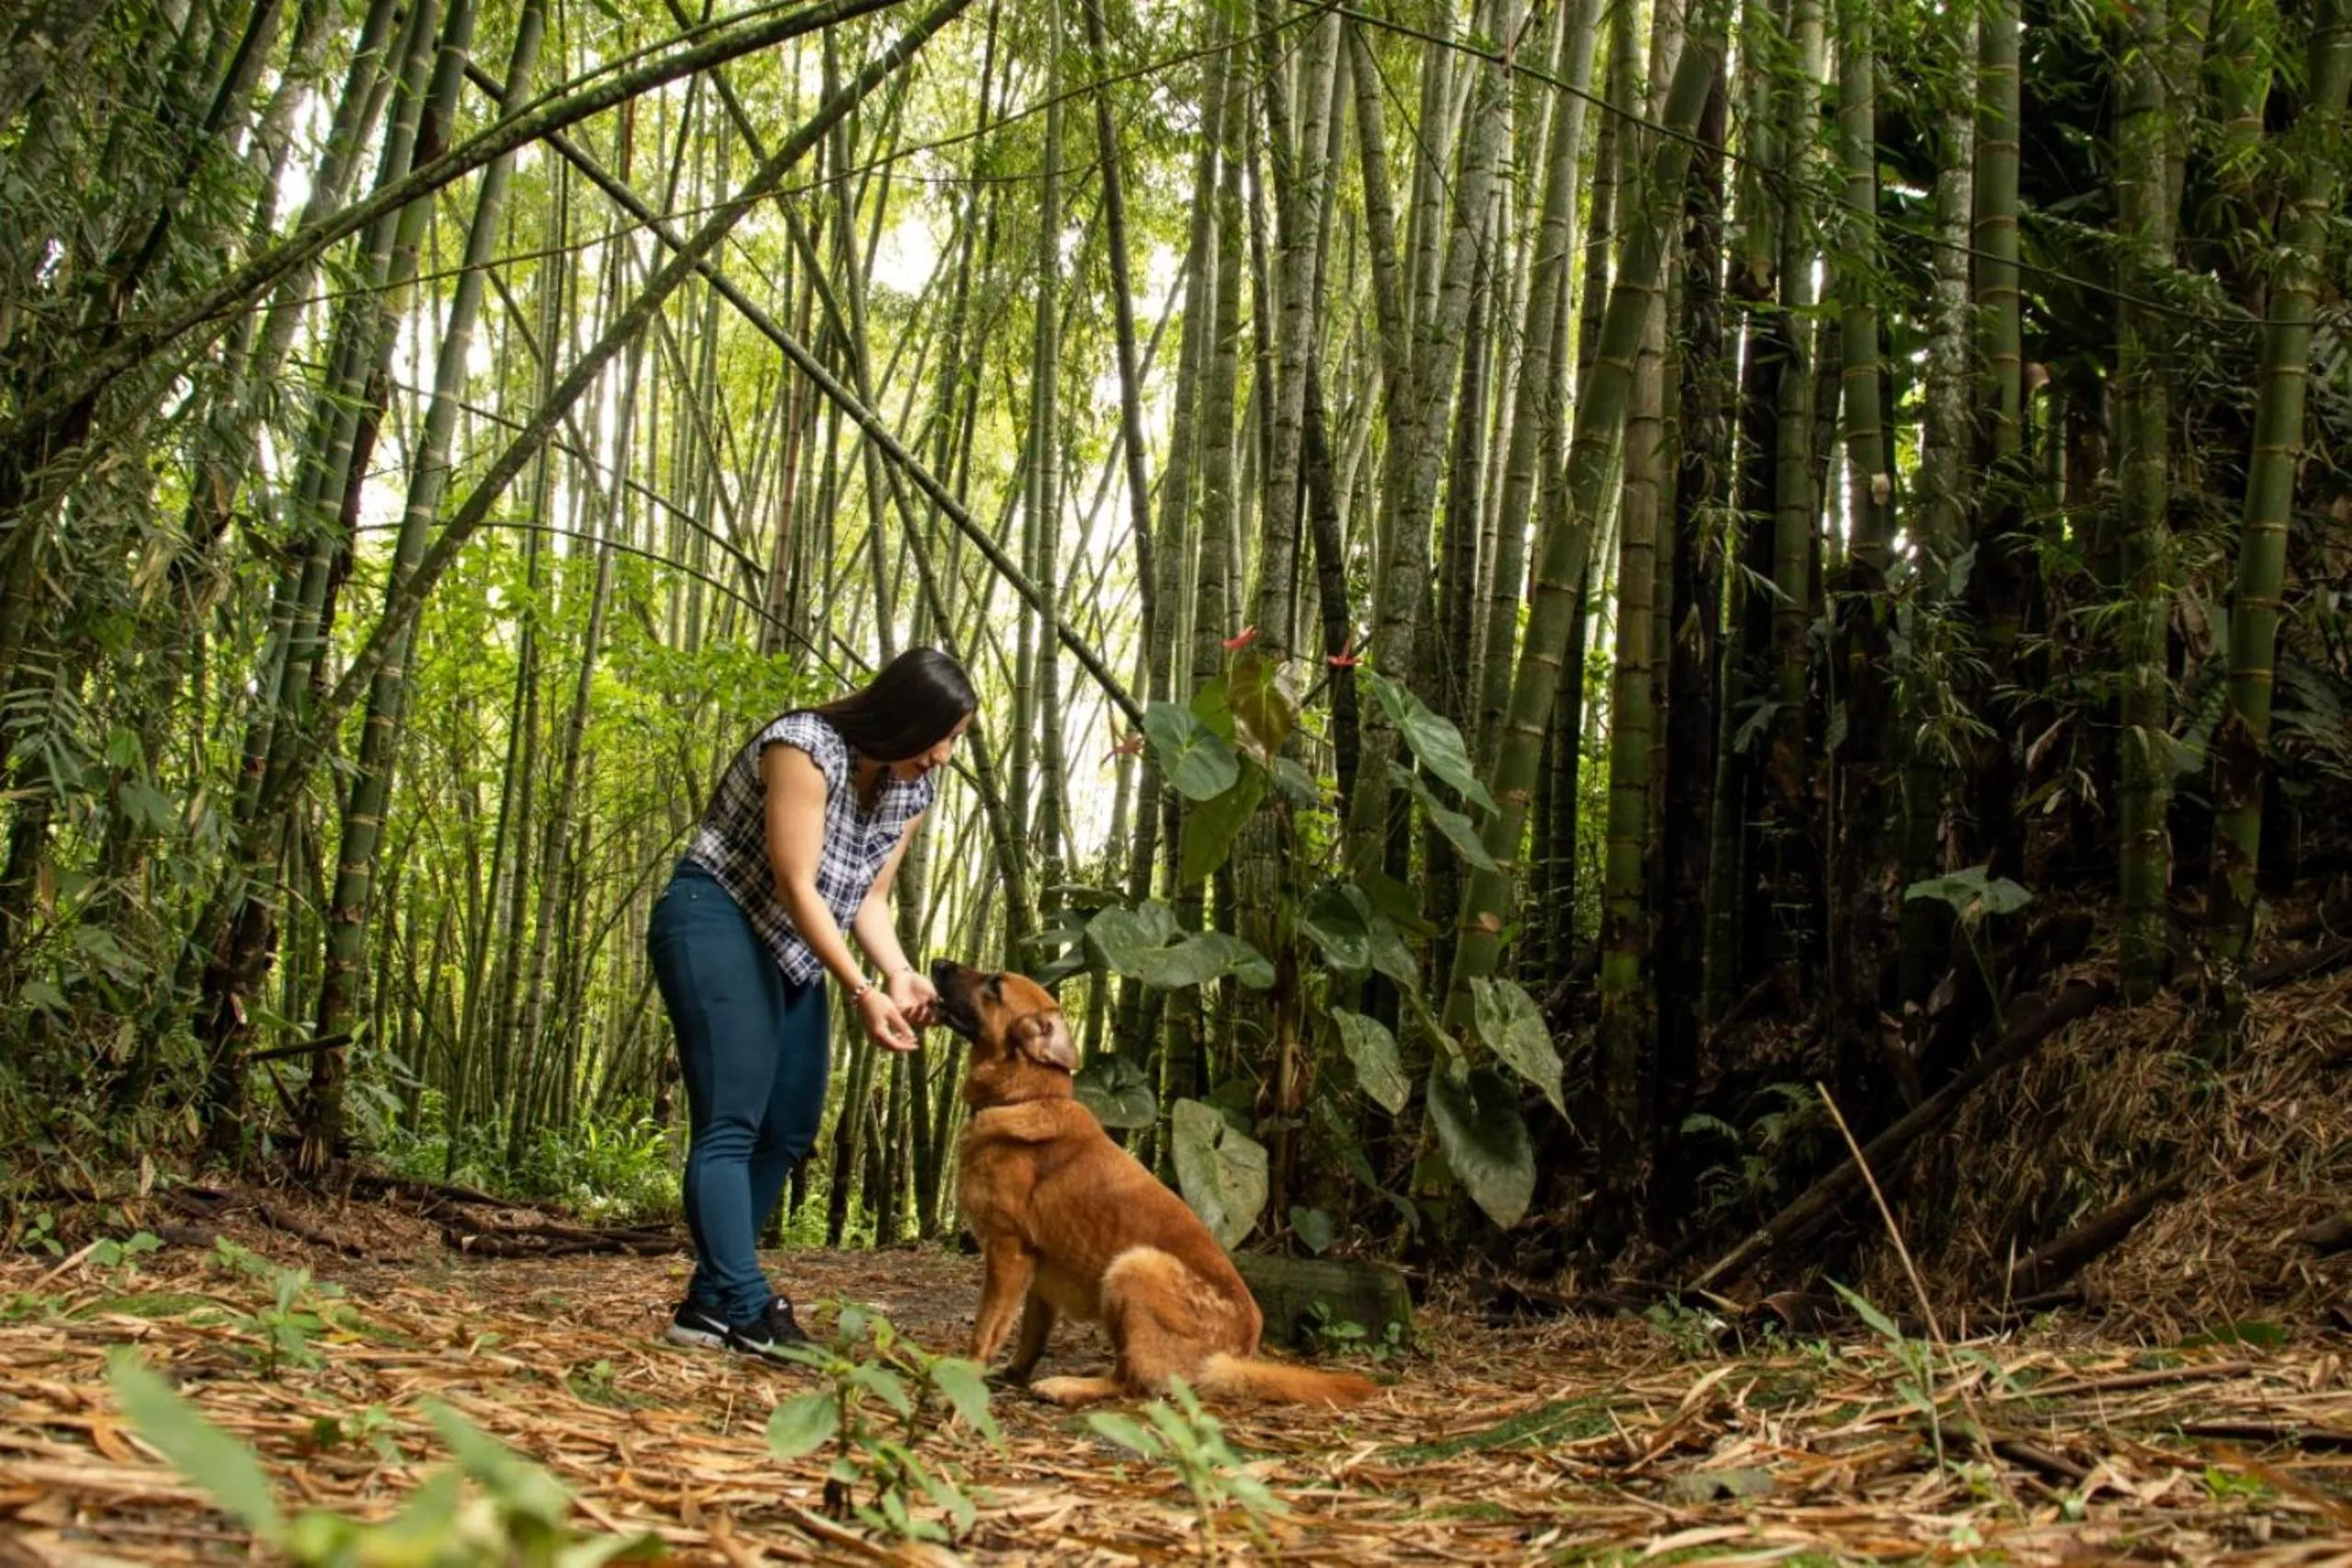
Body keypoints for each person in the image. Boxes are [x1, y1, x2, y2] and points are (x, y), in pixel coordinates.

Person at [648, 647, 974, 1361]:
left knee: (789, 1125)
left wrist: (897, 972)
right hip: (719, 915)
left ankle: (706, 1306)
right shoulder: (802, 746)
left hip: (796, 945)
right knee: (732, 1120)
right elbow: (798, 883)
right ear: (902, 718)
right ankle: (741, 1301)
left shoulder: (910, 789)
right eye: (941, 737)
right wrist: (858, 989)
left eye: (956, 741)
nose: (944, 757)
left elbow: (870, 897)